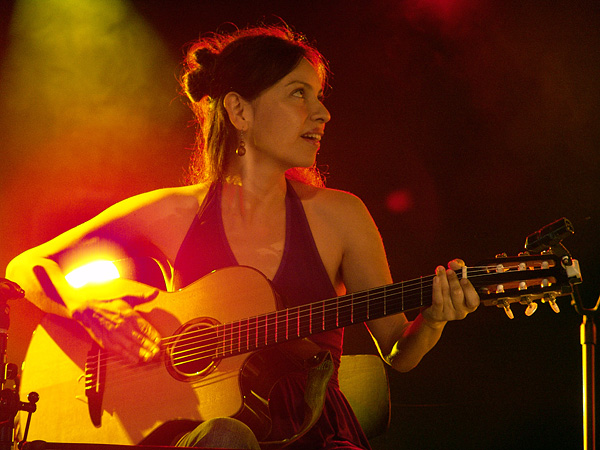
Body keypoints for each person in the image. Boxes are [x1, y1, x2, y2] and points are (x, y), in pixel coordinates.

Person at [5, 24, 480, 450]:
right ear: (238, 110)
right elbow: (26, 268)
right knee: (225, 436)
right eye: (299, 94)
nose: (323, 113)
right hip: (195, 432)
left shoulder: (342, 215)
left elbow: (398, 350)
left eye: (318, 95)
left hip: (310, 431)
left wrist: (435, 319)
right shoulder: (172, 211)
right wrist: (89, 311)